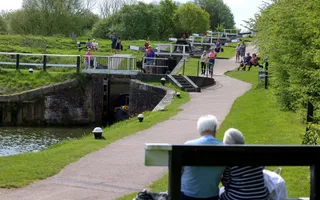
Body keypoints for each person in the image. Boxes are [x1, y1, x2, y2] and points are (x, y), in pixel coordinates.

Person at [181, 115, 225, 200]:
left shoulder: (189, 145)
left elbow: (178, 170)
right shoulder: (224, 148)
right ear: (215, 128)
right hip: (212, 196)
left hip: (187, 196)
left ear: (199, 129)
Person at [220, 128, 269, 200]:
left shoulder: (230, 160)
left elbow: (226, 182)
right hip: (261, 196)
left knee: (220, 195)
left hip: (238, 197)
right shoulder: (255, 154)